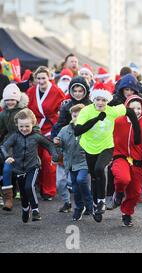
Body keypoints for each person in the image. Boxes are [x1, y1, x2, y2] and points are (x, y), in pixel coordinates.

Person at [74, 82, 139, 223]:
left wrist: (137, 132)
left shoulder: (112, 110)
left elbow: (131, 112)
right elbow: (77, 131)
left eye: (104, 100)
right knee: (94, 177)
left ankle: (102, 201)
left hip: (107, 146)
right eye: (98, 99)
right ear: (93, 99)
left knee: (99, 169)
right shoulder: (86, 111)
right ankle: (97, 205)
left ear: (107, 101)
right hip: (89, 147)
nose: (100, 102)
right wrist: (96, 119)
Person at [1, 109, 59, 223]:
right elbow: (3, 147)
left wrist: (54, 156)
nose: (24, 129)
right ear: (17, 124)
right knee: (23, 192)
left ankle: (35, 210)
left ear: (33, 124)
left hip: (33, 166)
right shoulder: (14, 136)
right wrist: (7, 157)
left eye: (27, 126)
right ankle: (25, 209)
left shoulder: (36, 136)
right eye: (21, 126)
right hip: (18, 168)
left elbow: (49, 145)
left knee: (29, 187)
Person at [50, 76, 92, 213]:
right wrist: (55, 143)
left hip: (84, 148)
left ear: (86, 91)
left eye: (81, 90)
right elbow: (59, 125)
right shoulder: (66, 106)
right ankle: (67, 202)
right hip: (67, 147)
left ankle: (86, 204)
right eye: (75, 90)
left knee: (83, 180)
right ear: (71, 91)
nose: (78, 93)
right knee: (61, 181)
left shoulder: (91, 106)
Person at [111, 95, 142, 227]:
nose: (136, 110)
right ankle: (118, 193)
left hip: (137, 163)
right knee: (123, 179)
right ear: (126, 107)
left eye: (139, 108)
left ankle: (127, 213)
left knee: (135, 193)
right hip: (120, 157)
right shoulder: (117, 122)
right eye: (132, 107)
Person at [27, 66, 66, 201]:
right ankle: (34, 186)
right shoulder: (31, 91)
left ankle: (48, 191)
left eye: (43, 78)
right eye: (38, 78)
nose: (41, 81)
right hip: (34, 128)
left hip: (51, 128)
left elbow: (63, 110)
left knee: (47, 158)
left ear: (49, 77)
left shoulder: (57, 91)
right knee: (33, 157)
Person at [54, 104, 94, 221]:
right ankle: (79, 207)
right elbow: (60, 143)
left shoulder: (89, 128)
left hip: (85, 161)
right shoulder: (65, 130)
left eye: (80, 115)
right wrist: (57, 142)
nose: (76, 118)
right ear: (71, 116)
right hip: (71, 162)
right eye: (74, 115)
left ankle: (89, 202)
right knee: (75, 188)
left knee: (81, 179)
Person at [0, 84, 30, 211]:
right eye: (7, 100)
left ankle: (26, 195)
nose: (10, 102)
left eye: (12, 99)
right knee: (7, 169)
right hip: (9, 145)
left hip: (25, 143)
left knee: (24, 171)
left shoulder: (25, 112)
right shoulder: (3, 114)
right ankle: (8, 198)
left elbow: (34, 127)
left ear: (18, 99)